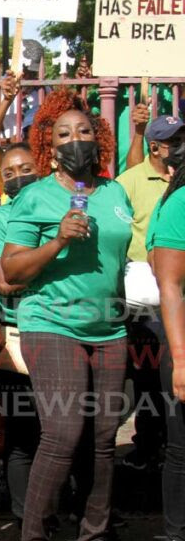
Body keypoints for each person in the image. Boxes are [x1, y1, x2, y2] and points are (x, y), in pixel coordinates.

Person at [1, 89, 133, 541]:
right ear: (49, 148)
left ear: (97, 141)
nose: (74, 140)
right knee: (61, 432)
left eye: (83, 132)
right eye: (63, 134)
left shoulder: (115, 193)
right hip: (51, 323)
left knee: (103, 440)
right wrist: (57, 239)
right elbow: (12, 270)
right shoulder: (36, 196)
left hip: (109, 327)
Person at [0, 143, 38, 526]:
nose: (18, 177)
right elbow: (3, 281)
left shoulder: (61, 211)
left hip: (62, 333)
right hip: (15, 337)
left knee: (66, 427)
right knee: (21, 429)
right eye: (9, 172)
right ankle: (25, 517)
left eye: (26, 168)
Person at [116, 116, 179, 472]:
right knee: (149, 378)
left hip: (178, 291)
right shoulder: (130, 182)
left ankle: (173, 446)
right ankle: (148, 445)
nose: (181, 146)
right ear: (154, 147)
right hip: (144, 297)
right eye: (174, 141)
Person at [146, 137, 185, 541]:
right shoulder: (178, 205)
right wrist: (180, 357)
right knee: (181, 447)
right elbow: (170, 285)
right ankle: (178, 539)